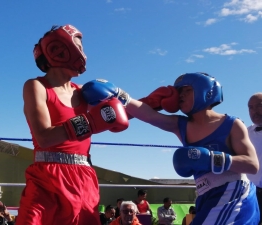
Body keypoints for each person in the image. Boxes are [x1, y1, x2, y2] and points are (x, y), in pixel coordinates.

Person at [81, 72, 260, 224]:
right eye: (179, 91)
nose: (180, 95)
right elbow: (149, 115)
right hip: (206, 195)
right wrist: (119, 94)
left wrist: (210, 158)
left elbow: (252, 164)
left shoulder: (231, 124)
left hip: (234, 191)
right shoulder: (181, 125)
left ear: (206, 91)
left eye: (186, 90)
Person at [16, 24, 129, 225]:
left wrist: (160, 101)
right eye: (79, 46)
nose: (84, 53)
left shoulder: (85, 92)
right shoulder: (36, 86)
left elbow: (124, 111)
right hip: (46, 179)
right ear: (59, 50)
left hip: (83, 179)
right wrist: (92, 122)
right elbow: (44, 137)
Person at [246, 92, 262, 225]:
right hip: (251, 194)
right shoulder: (243, 134)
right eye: (250, 107)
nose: (254, 111)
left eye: (259, 106)